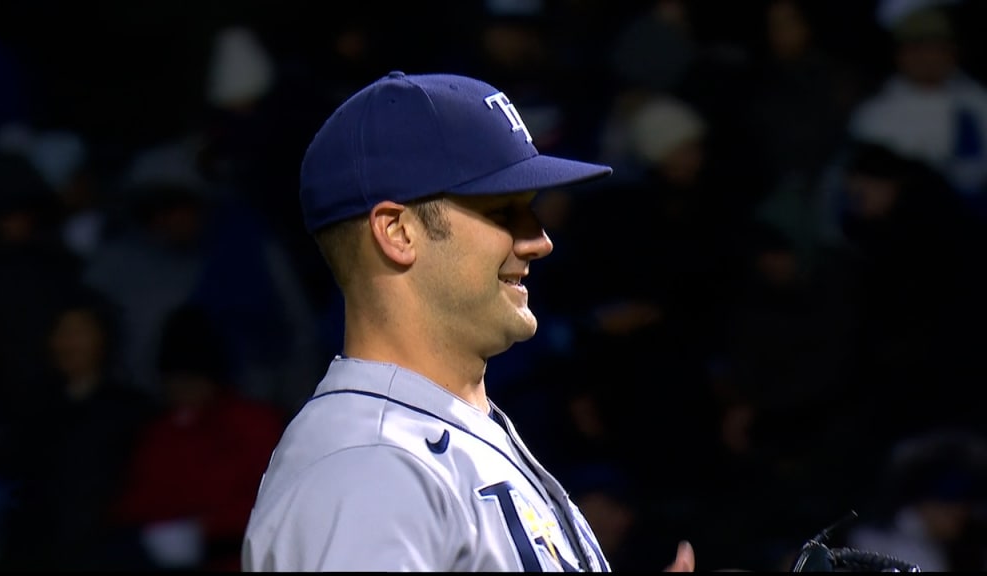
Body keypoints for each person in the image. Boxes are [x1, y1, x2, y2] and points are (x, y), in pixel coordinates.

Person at [240, 70, 696, 572]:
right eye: (504, 211)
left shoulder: (432, 434)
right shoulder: (369, 467)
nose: (538, 240)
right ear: (397, 232)